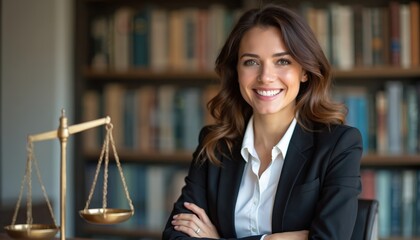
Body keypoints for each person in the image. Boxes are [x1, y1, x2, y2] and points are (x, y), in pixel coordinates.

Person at [163, 4, 362, 240]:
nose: (265, 77)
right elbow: (175, 234)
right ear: (235, 70)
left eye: (282, 61)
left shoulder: (338, 144)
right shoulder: (215, 143)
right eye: (251, 62)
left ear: (305, 71)